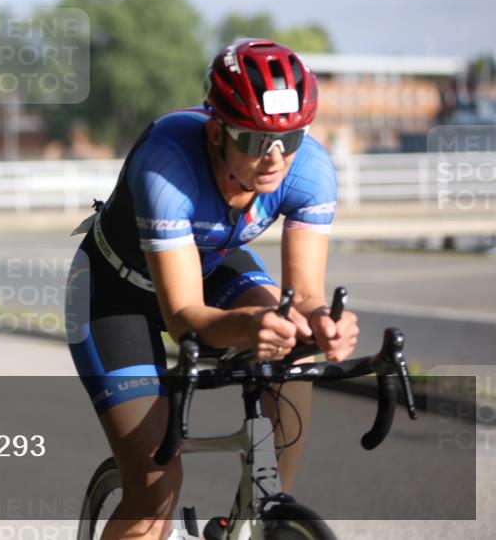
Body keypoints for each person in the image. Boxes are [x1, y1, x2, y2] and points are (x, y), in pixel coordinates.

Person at [66, 39, 360, 540]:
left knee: (293, 350)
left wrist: (323, 325)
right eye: (253, 139)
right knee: (155, 488)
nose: (273, 157)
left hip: (211, 266)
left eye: (289, 139)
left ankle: (264, 513)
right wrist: (249, 326)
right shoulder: (168, 164)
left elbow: (306, 295)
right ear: (216, 130)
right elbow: (184, 318)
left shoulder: (309, 168)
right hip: (115, 293)